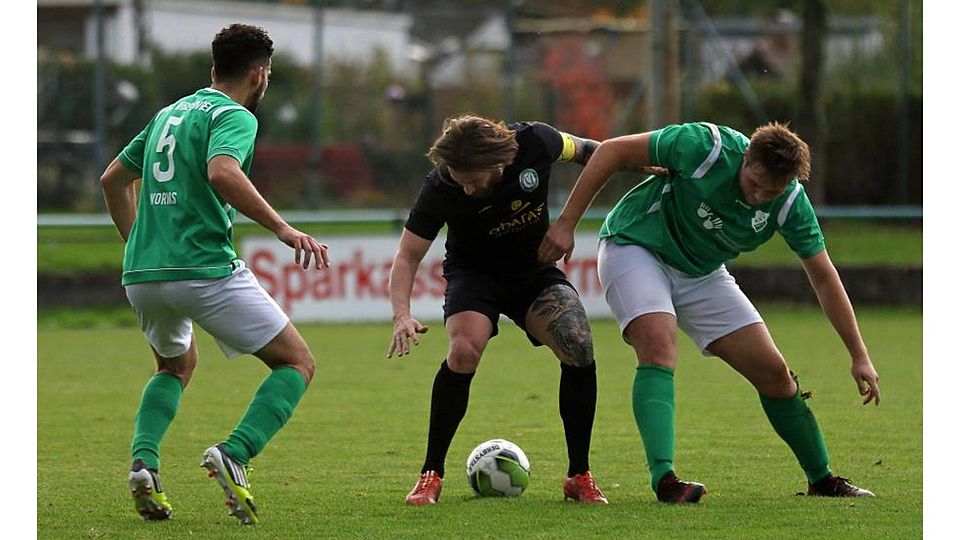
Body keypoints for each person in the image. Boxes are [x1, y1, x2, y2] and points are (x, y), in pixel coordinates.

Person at [537, 121, 881, 503]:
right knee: (658, 346)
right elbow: (612, 151)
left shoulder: (789, 203)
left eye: (772, 191)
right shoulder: (704, 147)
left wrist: (859, 354)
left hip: (702, 271)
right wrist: (567, 223)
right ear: (746, 157)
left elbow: (823, 277)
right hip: (637, 245)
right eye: (755, 184)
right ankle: (665, 479)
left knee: (774, 374)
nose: (759, 197)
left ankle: (822, 478)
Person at [100, 23, 329, 525]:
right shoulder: (235, 114)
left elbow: (113, 180)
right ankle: (236, 453)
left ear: (212, 69)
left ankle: (145, 466)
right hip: (203, 268)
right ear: (259, 73)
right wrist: (284, 230)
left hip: (144, 274)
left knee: (174, 368)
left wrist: (141, 245)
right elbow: (222, 172)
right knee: (297, 363)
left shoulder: (168, 114)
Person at [388, 115, 609, 505]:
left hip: (533, 268)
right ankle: (431, 474)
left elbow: (596, 153)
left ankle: (579, 475)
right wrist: (401, 314)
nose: (467, 187)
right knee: (463, 350)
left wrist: (568, 222)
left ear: (499, 162)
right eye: (460, 179)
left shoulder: (539, 141)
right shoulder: (441, 186)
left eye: (473, 179)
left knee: (578, 344)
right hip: (474, 275)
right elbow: (407, 257)